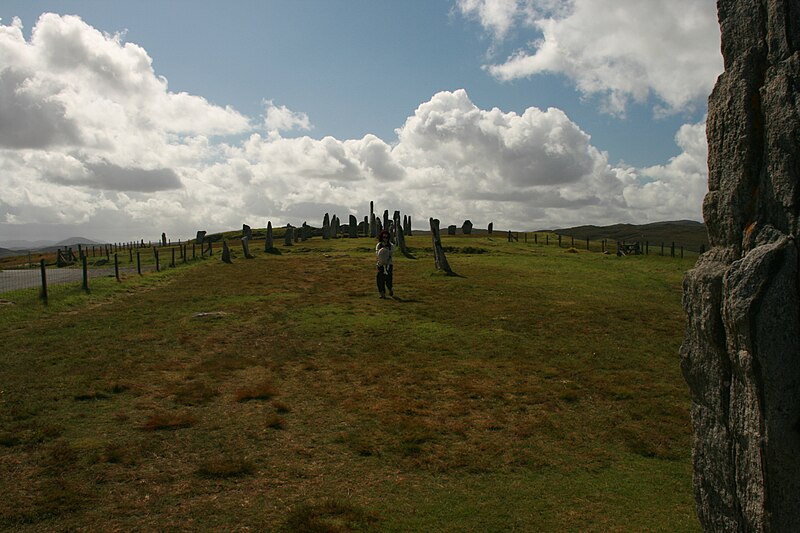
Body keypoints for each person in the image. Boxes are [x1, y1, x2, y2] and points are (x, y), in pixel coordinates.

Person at [375, 229, 394, 299]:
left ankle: (390, 288)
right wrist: (382, 252)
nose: (385, 239)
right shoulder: (378, 245)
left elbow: (391, 254)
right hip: (380, 264)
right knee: (380, 279)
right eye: (383, 237)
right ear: (381, 237)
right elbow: (377, 254)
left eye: (386, 237)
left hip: (389, 264)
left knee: (388, 279)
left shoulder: (391, 245)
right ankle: (382, 293)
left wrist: (386, 251)